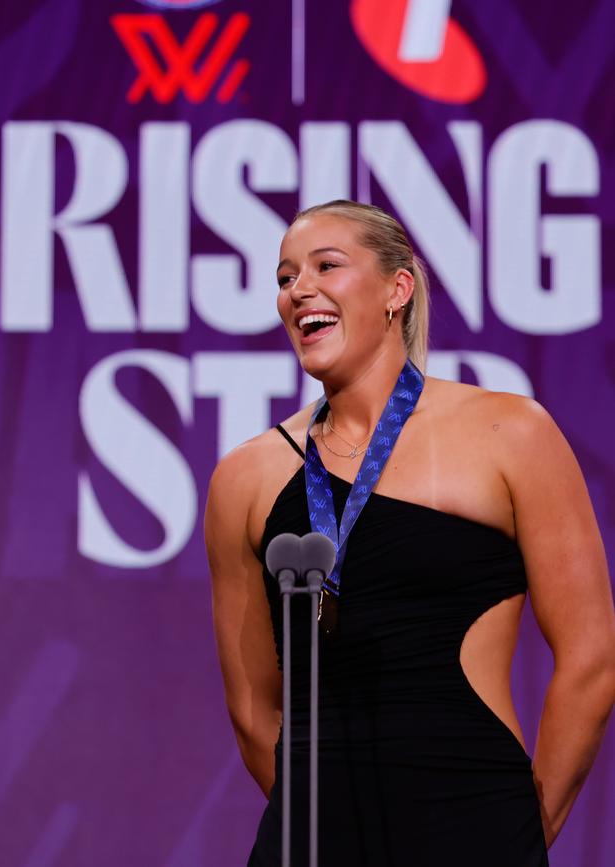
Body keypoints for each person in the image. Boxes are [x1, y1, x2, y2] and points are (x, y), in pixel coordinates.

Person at [204, 200, 615, 866]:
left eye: (325, 265)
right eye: (284, 277)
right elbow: (254, 708)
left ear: (398, 289)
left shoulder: (511, 433)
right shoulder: (245, 478)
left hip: (475, 828)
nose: (297, 289)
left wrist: (520, 835)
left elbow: (591, 660)